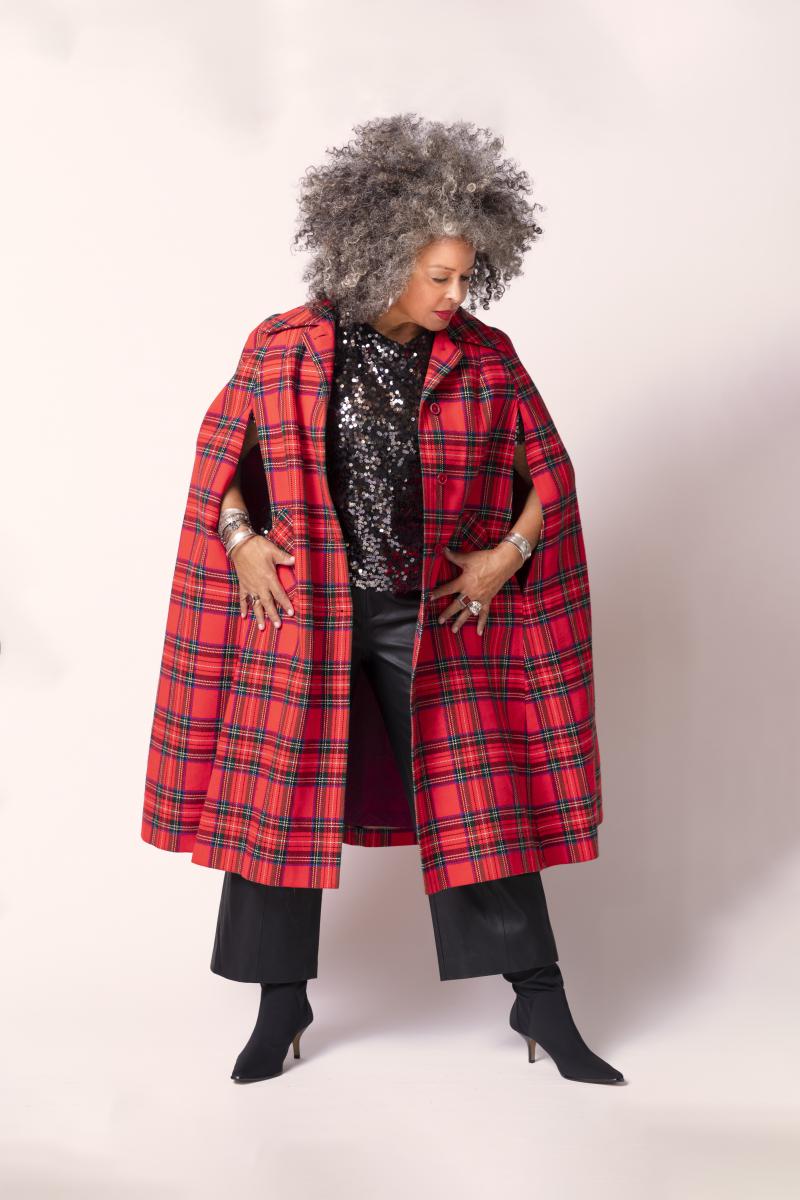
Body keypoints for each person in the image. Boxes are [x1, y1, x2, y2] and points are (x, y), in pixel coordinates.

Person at [142, 114, 625, 1087]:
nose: (456, 295)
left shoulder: (486, 358)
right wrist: (239, 540)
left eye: (466, 276)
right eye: (438, 275)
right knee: (275, 809)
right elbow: (217, 462)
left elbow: (552, 476)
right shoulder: (283, 346)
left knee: (478, 800)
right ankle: (280, 1006)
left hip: (426, 615)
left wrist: (504, 557)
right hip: (305, 612)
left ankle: (539, 1000)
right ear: (380, 253)